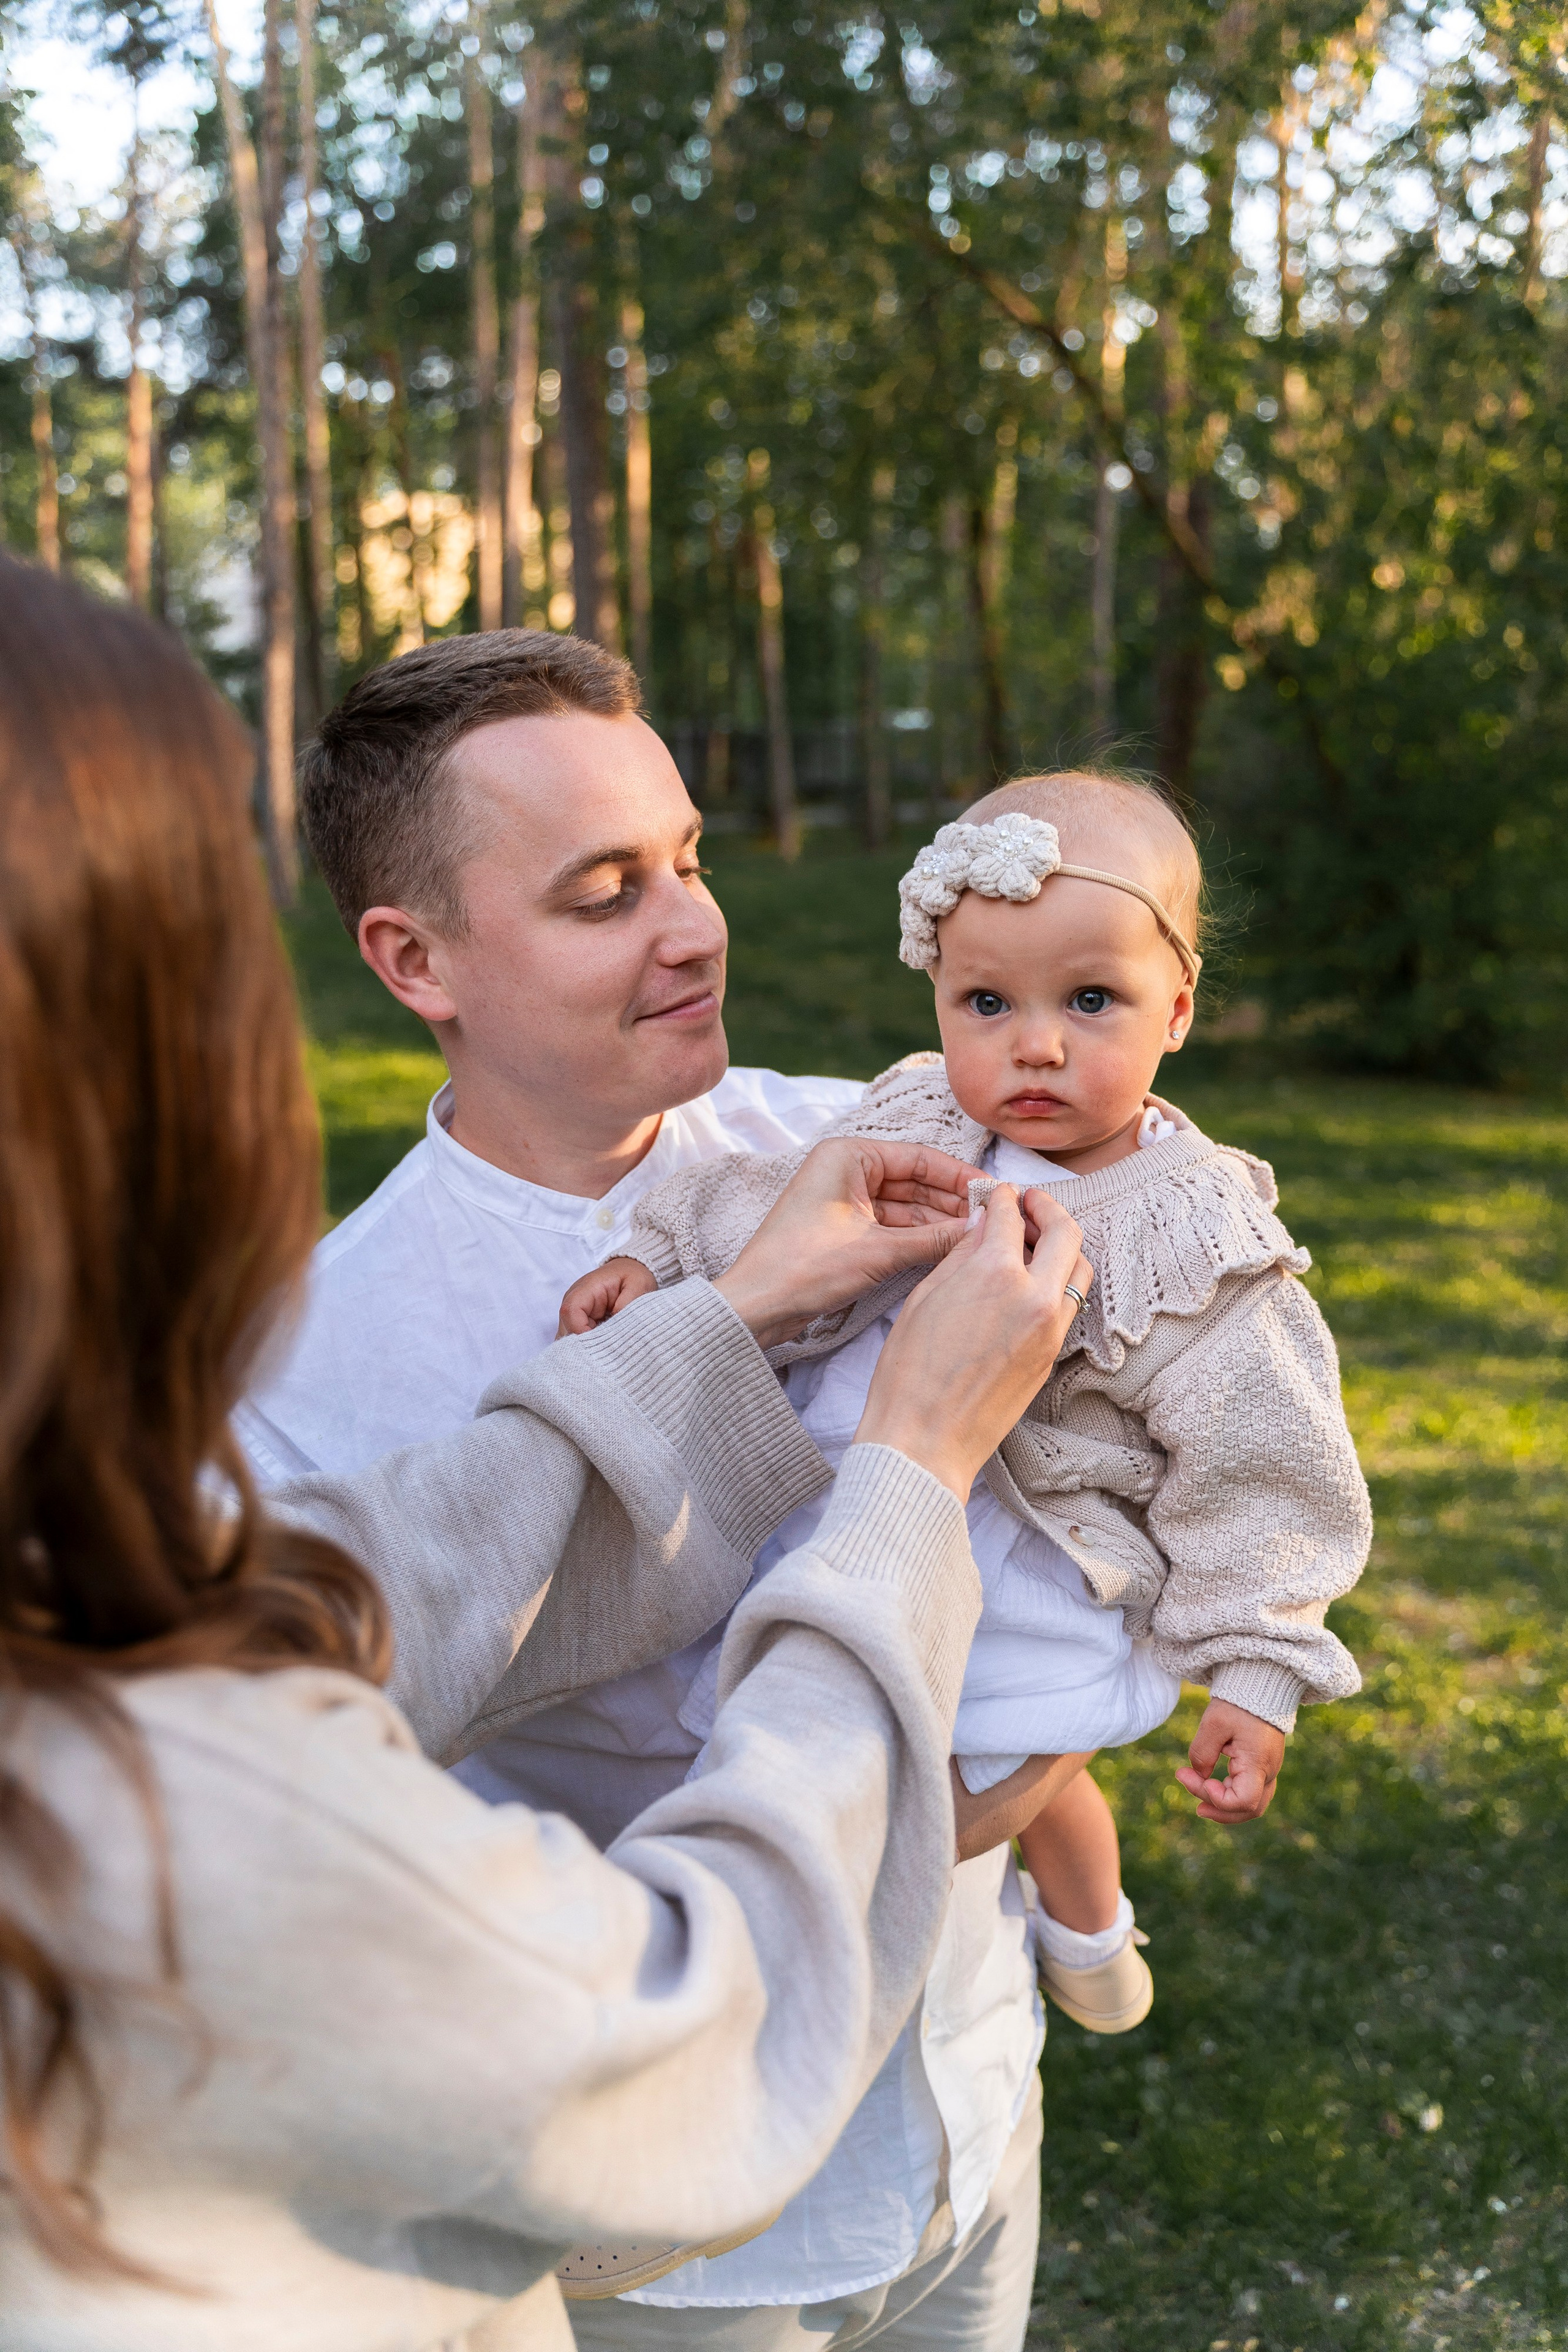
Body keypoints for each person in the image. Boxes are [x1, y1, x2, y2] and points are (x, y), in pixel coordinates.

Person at [0, 557, 1093, 2350]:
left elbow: (372, 1590)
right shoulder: (286, 1381)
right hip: (693, 2228)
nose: (693, 930)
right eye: (604, 895)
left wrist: (737, 1323)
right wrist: (907, 1471)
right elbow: (628, 2013)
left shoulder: (870, 1151)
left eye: (691, 860)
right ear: (411, 961)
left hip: (966, 2085)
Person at [570, 771, 1373, 2047]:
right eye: (984, 1002)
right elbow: (780, 1202)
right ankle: (1077, 1927)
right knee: (797, 1727)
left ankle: (962, 1962)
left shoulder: (1193, 1235)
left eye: (1089, 1001)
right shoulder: (916, 1113)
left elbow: (1262, 1459)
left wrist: (1256, 1664)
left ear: (1176, 1008)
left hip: (1025, 1559)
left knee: (938, 1792)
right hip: (849, 1495)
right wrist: (663, 1262)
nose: (1034, 1044)